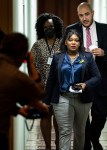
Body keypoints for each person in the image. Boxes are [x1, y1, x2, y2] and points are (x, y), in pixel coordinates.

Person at [65, 2, 107, 150]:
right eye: (81, 15)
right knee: (82, 118)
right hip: (80, 80)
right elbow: (64, 54)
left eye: (87, 14)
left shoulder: (106, 29)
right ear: (78, 16)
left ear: (93, 13)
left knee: (101, 114)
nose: (84, 18)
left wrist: (104, 53)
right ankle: (87, 145)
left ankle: (93, 137)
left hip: (102, 80)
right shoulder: (71, 30)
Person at [44, 29, 101, 150]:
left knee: (80, 132)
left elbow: (97, 77)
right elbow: (51, 80)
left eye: (76, 40)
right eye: (70, 40)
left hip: (83, 100)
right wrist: (46, 102)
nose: (73, 42)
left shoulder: (87, 57)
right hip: (62, 98)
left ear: (80, 43)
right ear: (65, 42)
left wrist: (86, 84)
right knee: (65, 132)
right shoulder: (57, 57)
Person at [0, 32, 48, 150]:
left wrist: (17, 110)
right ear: (23, 55)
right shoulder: (16, 76)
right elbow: (40, 93)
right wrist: (31, 65)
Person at [30, 13, 63, 150]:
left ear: (56, 27)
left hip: (60, 86)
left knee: (58, 117)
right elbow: (32, 65)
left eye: (51, 26)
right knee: (45, 116)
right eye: (45, 27)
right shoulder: (37, 45)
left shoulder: (63, 43)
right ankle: (48, 146)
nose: (49, 28)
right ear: (41, 29)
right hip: (43, 87)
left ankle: (58, 144)